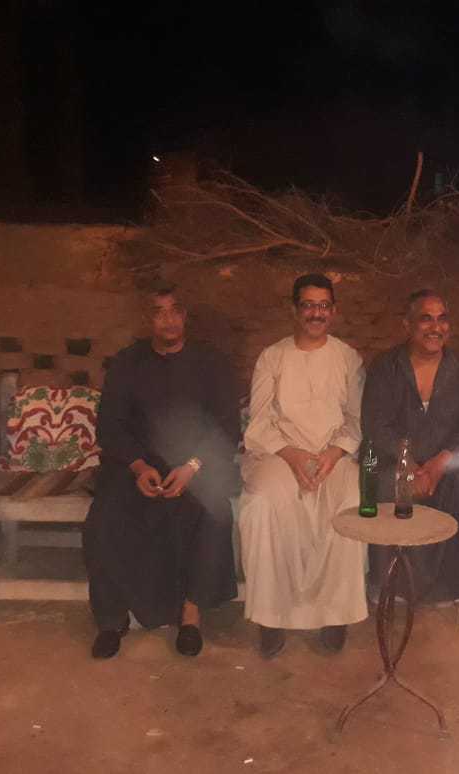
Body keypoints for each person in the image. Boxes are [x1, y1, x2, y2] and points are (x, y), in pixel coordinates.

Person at [82, 282, 240, 659]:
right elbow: (111, 426)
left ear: (185, 316)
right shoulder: (127, 363)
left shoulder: (212, 363)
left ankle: (190, 615)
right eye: (159, 312)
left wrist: (192, 468)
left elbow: (226, 425)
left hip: (197, 465)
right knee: (103, 518)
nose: (169, 320)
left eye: (175, 311)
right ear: (147, 319)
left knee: (212, 513)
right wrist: (139, 468)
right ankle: (112, 619)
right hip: (136, 465)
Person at [238, 273, 366, 658]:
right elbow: (259, 421)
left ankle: (336, 614)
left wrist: (333, 454)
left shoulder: (348, 357)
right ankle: (270, 615)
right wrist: (293, 456)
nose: (316, 313)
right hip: (280, 453)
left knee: (350, 500)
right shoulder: (272, 357)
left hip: (333, 454)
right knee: (261, 502)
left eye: (323, 306)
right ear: (295, 310)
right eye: (308, 305)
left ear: (334, 311)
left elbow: (357, 420)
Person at [361, 289, 459, 603]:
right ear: (408, 324)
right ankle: (391, 586)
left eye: (442, 319)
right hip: (395, 460)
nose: (435, 327)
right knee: (388, 485)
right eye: (426, 319)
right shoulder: (386, 366)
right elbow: (376, 425)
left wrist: (440, 463)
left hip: (445, 460)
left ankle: (456, 586)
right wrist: (409, 464)